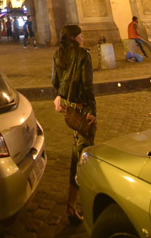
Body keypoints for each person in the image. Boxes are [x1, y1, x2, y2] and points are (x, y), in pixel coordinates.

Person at [52, 24, 96, 225]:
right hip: (82, 109)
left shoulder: (58, 54)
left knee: (79, 149)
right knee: (81, 155)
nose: (84, 37)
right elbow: (87, 86)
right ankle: (75, 203)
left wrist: (60, 96)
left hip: (68, 110)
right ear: (74, 38)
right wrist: (91, 111)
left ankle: (73, 202)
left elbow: (55, 82)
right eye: (81, 34)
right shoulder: (83, 55)